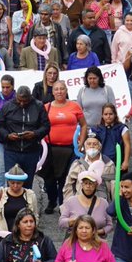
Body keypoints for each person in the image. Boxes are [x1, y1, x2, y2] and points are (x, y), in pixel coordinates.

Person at [0, 86, 51, 186]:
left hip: (31, 151)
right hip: (11, 151)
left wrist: (35, 134)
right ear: (16, 96)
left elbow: (46, 126)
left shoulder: (38, 106)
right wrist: (7, 136)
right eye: (19, 100)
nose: (22, 103)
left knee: (28, 183)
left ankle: (27, 201)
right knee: (11, 182)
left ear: (30, 97)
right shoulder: (7, 106)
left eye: (25, 101)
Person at [45, 82, 87, 213]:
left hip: (70, 148)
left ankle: (63, 204)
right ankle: (52, 201)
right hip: (50, 148)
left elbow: (84, 125)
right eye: (56, 89)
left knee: (66, 177)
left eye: (62, 89)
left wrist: (81, 141)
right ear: (52, 92)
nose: (59, 92)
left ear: (66, 90)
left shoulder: (75, 106)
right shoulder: (46, 107)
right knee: (49, 178)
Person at [64, 134, 117, 201]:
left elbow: (114, 186)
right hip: (80, 202)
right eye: (89, 144)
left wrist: (113, 206)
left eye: (95, 144)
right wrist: (68, 203)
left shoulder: (109, 164)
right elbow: (69, 185)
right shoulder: (77, 164)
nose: (91, 146)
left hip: (102, 202)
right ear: (85, 146)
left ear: (100, 147)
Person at [0, 165, 39, 230]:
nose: (15, 186)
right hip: (4, 235)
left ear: (23, 182)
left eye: (18, 183)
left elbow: (35, 216)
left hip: (24, 236)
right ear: (8, 181)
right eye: (12, 183)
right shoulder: (0, 194)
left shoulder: (30, 195)